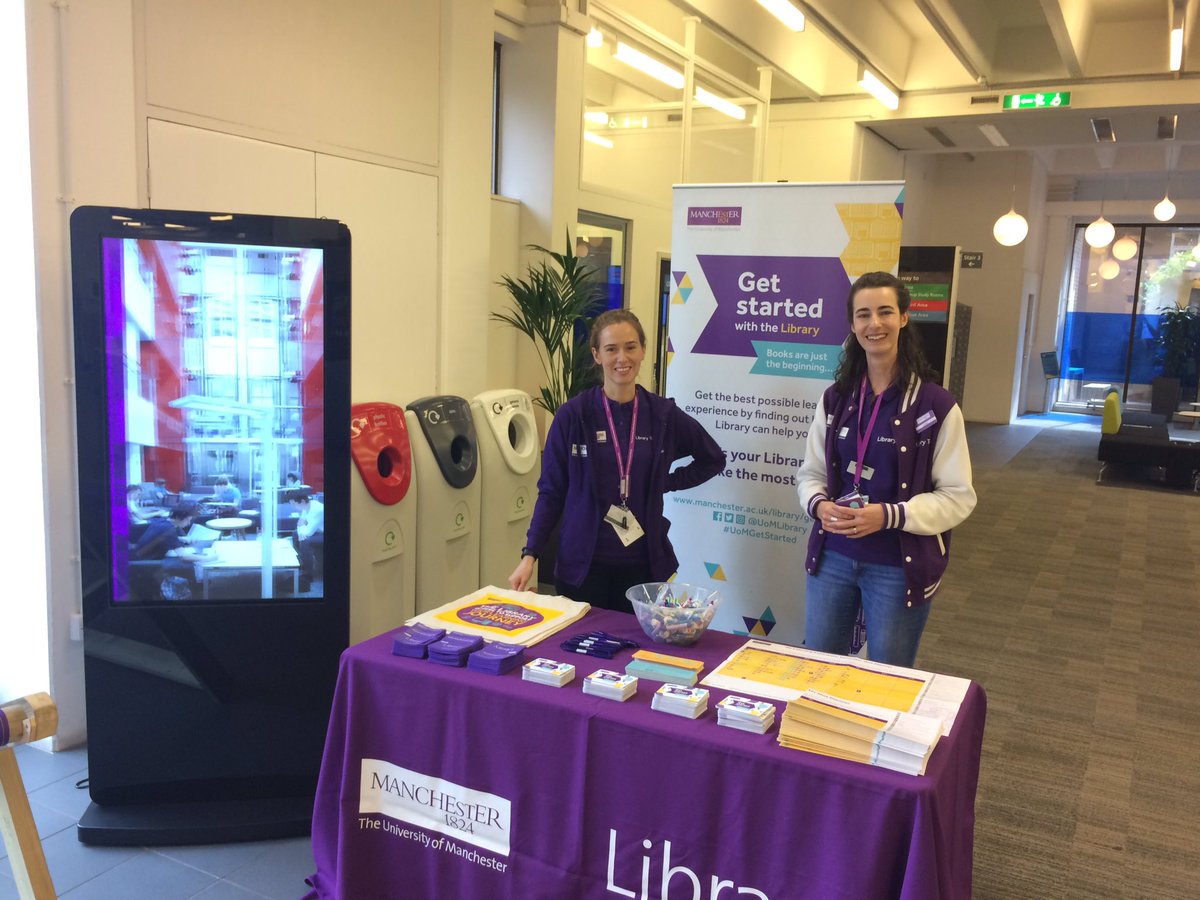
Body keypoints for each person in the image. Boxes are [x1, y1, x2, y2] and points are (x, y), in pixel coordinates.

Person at [796, 271, 976, 667]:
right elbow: (810, 473)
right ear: (852, 325)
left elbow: (958, 497)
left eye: (885, 312)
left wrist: (889, 515)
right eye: (863, 315)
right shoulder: (837, 398)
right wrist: (820, 506)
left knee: (886, 680)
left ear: (904, 318)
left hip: (897, 567)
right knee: (818, 670)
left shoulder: (936, 406)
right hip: (833, 558)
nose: (874, 324)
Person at [509, 309, 726, 612]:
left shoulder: (662, 416)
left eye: (630, 347)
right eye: (611, 349)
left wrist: (663, 482)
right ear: (597, 355)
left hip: (643, 570)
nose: (622, 358)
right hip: (582, 569)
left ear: (643, 350)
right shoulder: (573, 416)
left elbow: (713, 459)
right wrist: (530, 555)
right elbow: (551, 491)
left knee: (635, 653)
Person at [131, 504, 203, 596]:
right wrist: (210, 558)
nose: (189, 523)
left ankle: (194, 584)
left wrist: (181, 539)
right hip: (148, 563)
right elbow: (184, 557)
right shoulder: (169, 529)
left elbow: (161, 537)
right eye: (188, 520)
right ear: (179, 517)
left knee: (187, 559)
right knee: (188, 563)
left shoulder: (162, 522)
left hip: (139, 557)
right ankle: (194, 588)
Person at [292, 491, 324, 591]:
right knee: (295, 534)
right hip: (316, 530)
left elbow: (308, 531)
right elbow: (300, 524)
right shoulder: (306, 507)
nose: (293, 506)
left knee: (305, 541)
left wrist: (302, 530)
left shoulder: (317, 509)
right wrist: (302, 530)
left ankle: (308, 575)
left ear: (302, 501)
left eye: (294, 504)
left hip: (323, 534)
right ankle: (301, 561)